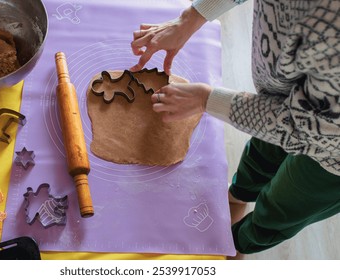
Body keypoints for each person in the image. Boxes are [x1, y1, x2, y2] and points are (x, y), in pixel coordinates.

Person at [130, 0, 340, 255]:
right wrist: (192, 17)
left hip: (332, 158)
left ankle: (239, 243)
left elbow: (308, 128)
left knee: (280, 208)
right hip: (282, 96)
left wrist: (207, 100)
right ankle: (239, 195)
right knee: (261, 157)